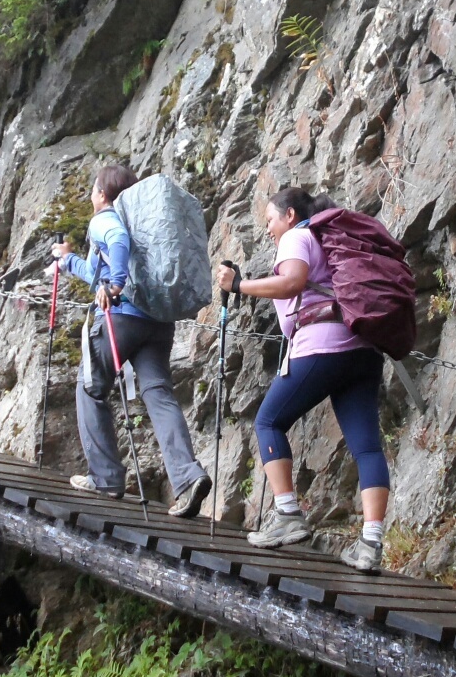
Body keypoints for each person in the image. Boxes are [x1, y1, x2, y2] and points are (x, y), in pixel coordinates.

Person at [216, 187, 389, 571]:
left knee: (268, 421)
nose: (267, 230)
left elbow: (292, 282)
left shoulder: (297, 235)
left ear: (289, 215)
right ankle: (371, 544)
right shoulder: (332, 241)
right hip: (364, 350)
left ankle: (288, 515)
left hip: (322, 345)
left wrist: (238, 286)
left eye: (269, 220)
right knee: (367, 448)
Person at [51, 164, 212, 518]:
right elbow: (99, 271)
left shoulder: (106, 217)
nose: (92, 195)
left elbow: (117, 246)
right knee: (158, 394)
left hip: (122, 318)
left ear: (102, 194)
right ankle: (188, 477)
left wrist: (115, 284)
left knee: (90, 388)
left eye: (93, 189)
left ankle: (106, 478)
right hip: (158, 322)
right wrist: (69, 262)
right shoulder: (139, 218)